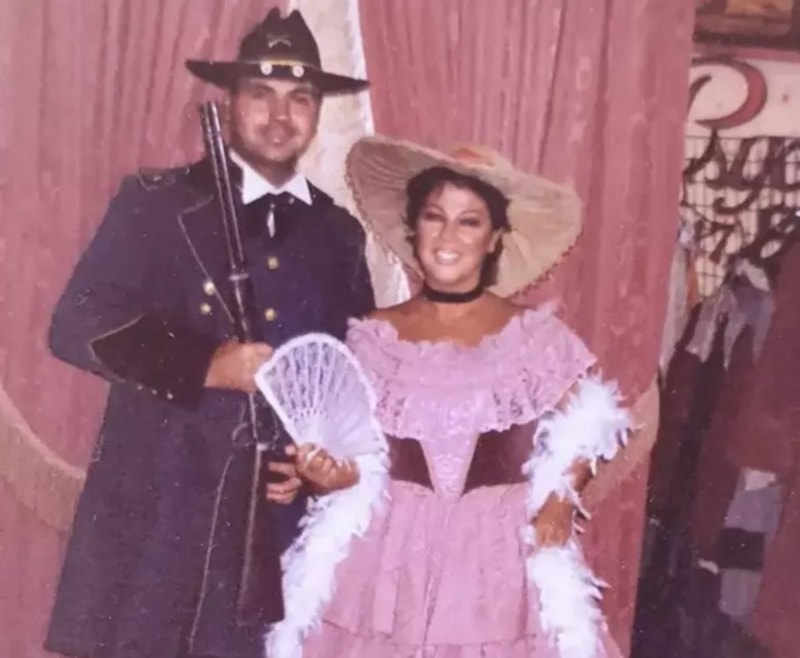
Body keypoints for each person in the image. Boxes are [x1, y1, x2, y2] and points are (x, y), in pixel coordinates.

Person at [44, 8, 373, 658]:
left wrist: (317, 464)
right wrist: (205, 364)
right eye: (261, 94)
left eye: (300, 99)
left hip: (273, 528)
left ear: (316, 113)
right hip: (156, 511)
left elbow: (348, 374)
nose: (280, 116)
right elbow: (76, 323)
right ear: (228, 104)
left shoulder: (338, 234)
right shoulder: (155, 202)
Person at [267, 136, 631, 658]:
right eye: (435, 217)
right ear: (414, 228)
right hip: (388, 559)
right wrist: (325, 476)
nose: (448, 236)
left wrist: (560, 497)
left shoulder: (533, 337)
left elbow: (591, 422)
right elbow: (357, 461)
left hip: (496, 559)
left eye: (469, 221)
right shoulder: (372, 338)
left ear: (495, 238)